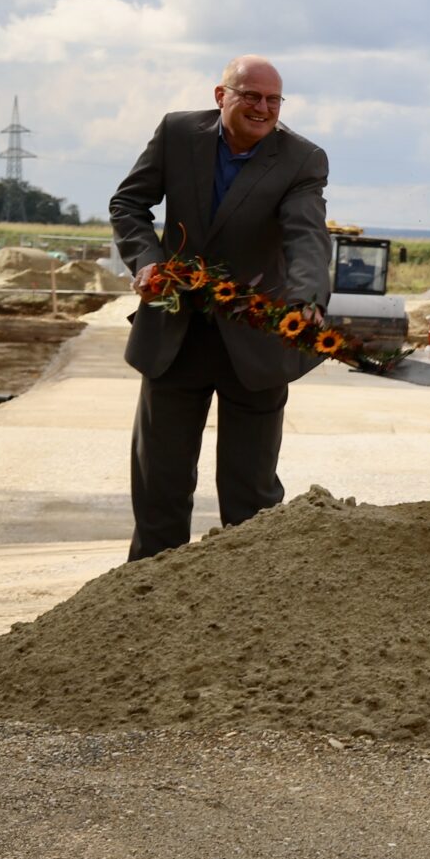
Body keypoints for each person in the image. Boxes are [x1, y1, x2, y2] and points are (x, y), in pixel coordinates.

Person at [109, 56, 330, 559]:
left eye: (273, 100)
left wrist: (306, 299)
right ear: (220, 95)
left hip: (255, 344)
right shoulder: (177, 133)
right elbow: (129, 204)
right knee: (159, 486)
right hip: (174, 335)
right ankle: (148, 595)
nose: (262, 108)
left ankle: (244, 603)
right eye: (250, 96)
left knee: (250, 495)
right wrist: (146, 261)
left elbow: (307, 236)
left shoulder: (301, 158)